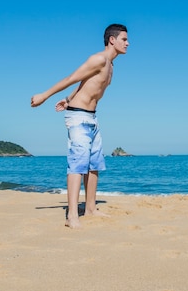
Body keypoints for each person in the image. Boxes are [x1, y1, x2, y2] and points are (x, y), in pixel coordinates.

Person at [31, 24, 129, 228]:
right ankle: (72, 216)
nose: (128, 43)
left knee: (94, 165)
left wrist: (67, 98)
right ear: (112, 40)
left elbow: (83, 84)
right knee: (78, 165)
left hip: (92, 118)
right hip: (78, 117)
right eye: (124, 39)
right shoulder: (99, 59)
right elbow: (72, 77)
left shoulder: (111, 65)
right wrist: (44, 96)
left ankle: (91, 208)